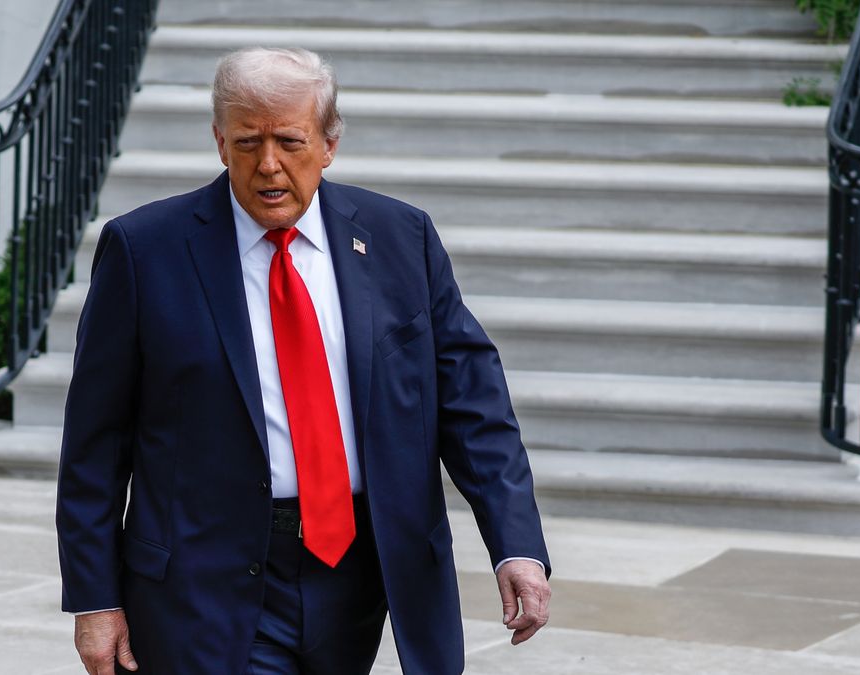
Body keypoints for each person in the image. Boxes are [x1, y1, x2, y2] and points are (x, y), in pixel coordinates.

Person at [56, 47, 552, 675]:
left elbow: (474, 406)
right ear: (218, 141)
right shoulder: (143, 249)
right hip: (201, 578)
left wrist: (517, 547)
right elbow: (94, 443)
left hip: (358, 572)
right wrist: (95, 598)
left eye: (290, 141)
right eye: (246, 142)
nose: (269, 166)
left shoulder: (402, 238)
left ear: (329, 143)